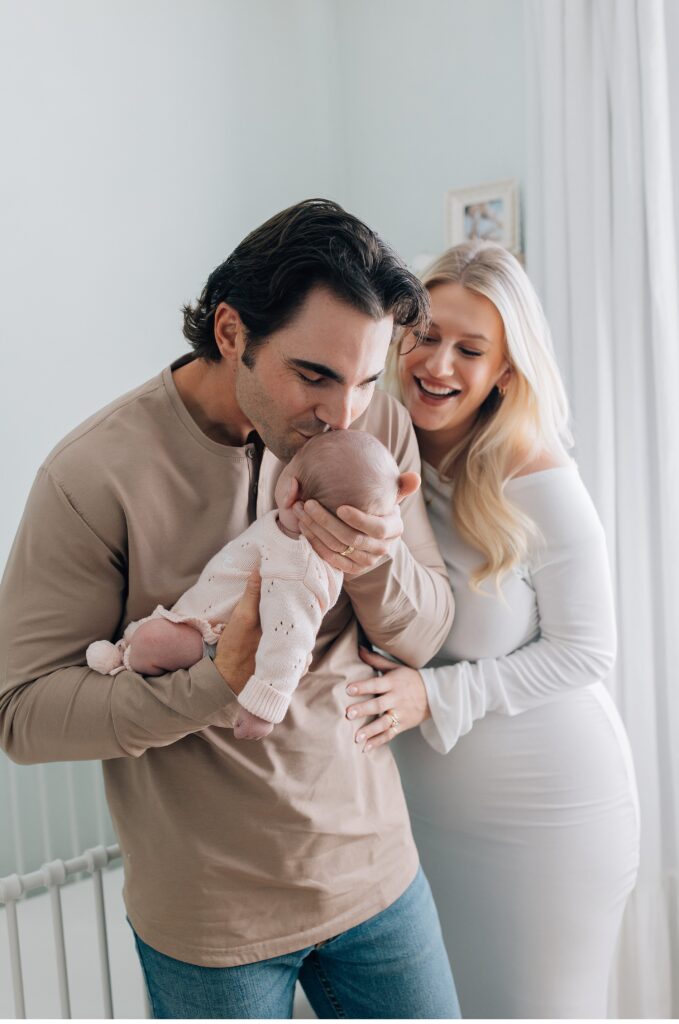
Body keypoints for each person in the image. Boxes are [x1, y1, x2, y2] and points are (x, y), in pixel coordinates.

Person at [0, 199, 460, 1019]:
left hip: (378, 879)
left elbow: (424, 632)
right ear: (228, 332)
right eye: (312, 375)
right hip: (210, 923)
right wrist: (217, 680)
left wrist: (373, 557)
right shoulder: (93, 475)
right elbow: (22, 714)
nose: (340, 414)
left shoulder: (373, 426)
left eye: (362, 380)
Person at [343, 241, 640, 1017]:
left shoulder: (531, 472)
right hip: (420, 817)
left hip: (548, 818)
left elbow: (585, 652)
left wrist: (432, 698)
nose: (437, 364)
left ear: (504, 372)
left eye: (469, 350)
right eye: (426, 336)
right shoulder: (370, 448)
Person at [86, 431, 401, 742]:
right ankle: (128, 650)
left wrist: (263, 710)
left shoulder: (299, 571)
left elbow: (289, 644)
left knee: (153, 641)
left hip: (218, 640)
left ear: (291, 489)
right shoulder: (286, 530)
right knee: (155, 634)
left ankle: (126, 659)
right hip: (207, 619)